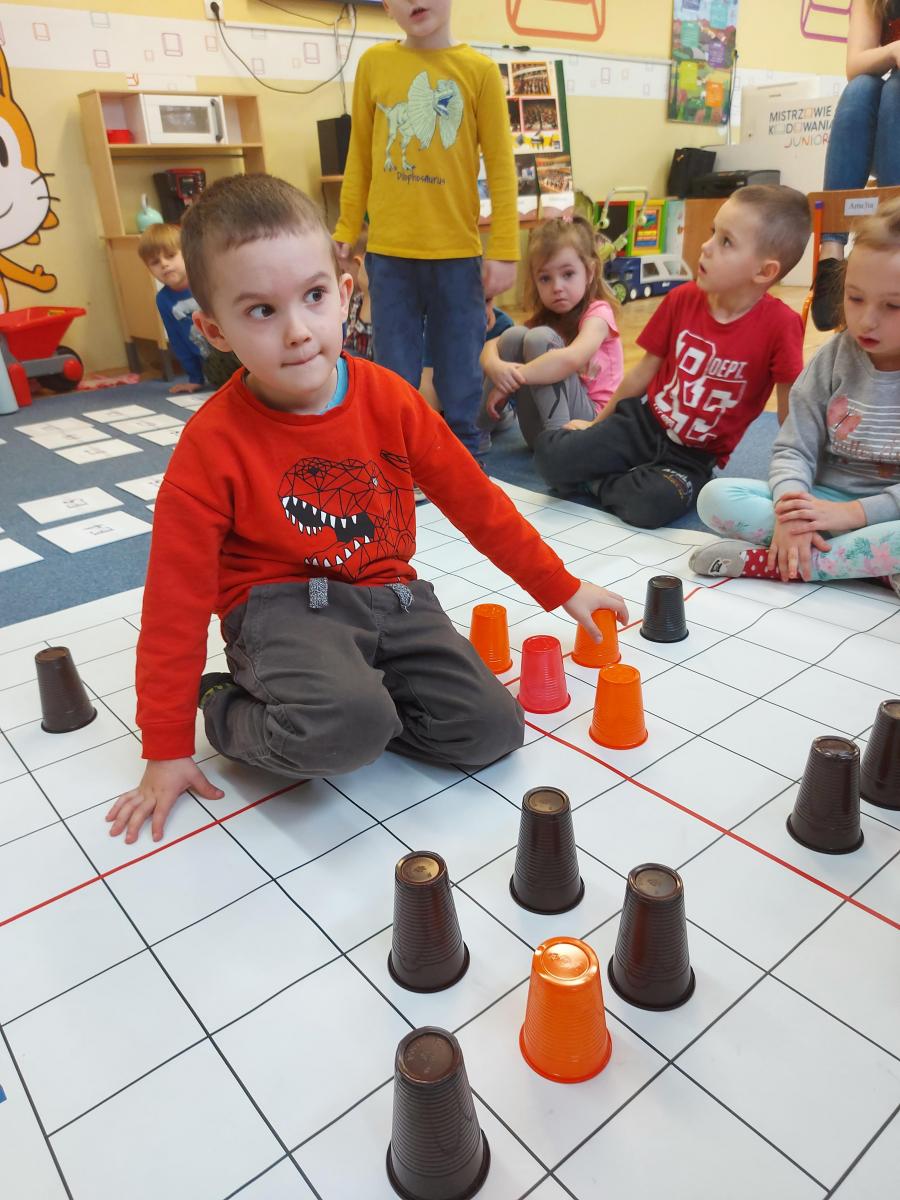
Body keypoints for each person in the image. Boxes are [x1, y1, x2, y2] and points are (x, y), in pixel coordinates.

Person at [106, 174, 628, 845]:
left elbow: (476, 502)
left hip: (391, 597)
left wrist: (562, 586)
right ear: (214, 330)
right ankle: (227, 703)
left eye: (314, 296)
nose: (298, 332)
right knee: (347, 730)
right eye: (261, 310)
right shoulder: (210, 445)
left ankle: (356, 704)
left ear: (344, 293)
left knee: (491, 729)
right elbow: (174, 600)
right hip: (279, 607)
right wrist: (166, 744)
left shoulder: (390, 398)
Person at [529, 185, 812, 530]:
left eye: (726, 241)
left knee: (648, 505)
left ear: (764, 272)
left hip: (691, 458)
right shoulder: (682, 299)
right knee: (549, 456)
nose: (706, 246)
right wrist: (596, 424)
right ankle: (613, 474)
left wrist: (800, 478)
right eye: (713, 232)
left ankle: (598, 482)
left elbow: (789, 416)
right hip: (641, 425)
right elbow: (641, 373)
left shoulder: (781, 325)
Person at [332, 0, 519, 464]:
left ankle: (464, 462)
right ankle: (396, 460)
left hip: (457, 255)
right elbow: (360, 154)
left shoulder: (479, 72)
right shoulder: (375, 64)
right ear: (386, 5)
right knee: (395, 369)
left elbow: (501, 166)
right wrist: (347, 223)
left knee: (460, 369)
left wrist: (505, 247)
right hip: (390, 255)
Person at [689, 197, 900, 596]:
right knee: (715, 498)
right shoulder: (833, 358)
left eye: (893, 306)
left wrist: (853, 514)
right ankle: (870, 565)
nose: (867, 320)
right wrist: (792, 512)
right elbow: (793, 449)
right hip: (817, 503)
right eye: (855, 298)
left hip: (887, 514)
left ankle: (785, 563)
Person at [476, 215, 624, 450]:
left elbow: (571, 358)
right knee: (514, 336)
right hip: (540, 429)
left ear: (590, 272)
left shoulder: (599, 315)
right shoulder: (545, 319)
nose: (557, 287)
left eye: (568, 274)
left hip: (592, 426)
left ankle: (559, 451)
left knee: (540, 339)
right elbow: (490, 346)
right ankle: (476, 435)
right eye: (545, 278)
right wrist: (496, 368)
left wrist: (512, 380)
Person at [811, 0, 900, 331]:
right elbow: (855, 64)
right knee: (862, 86)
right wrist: (893, 51)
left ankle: (893, 239)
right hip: (890, 135)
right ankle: (831, 252)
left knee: (896, 88)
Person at [137, 222, 239, 393]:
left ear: (187, 255)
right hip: (211, 362)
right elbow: (177, 340)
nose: (164, 264)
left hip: (237, 352)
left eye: (170, 256)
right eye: (155, 262)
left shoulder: (209, 283)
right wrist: (195, 378)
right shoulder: (163, 300)